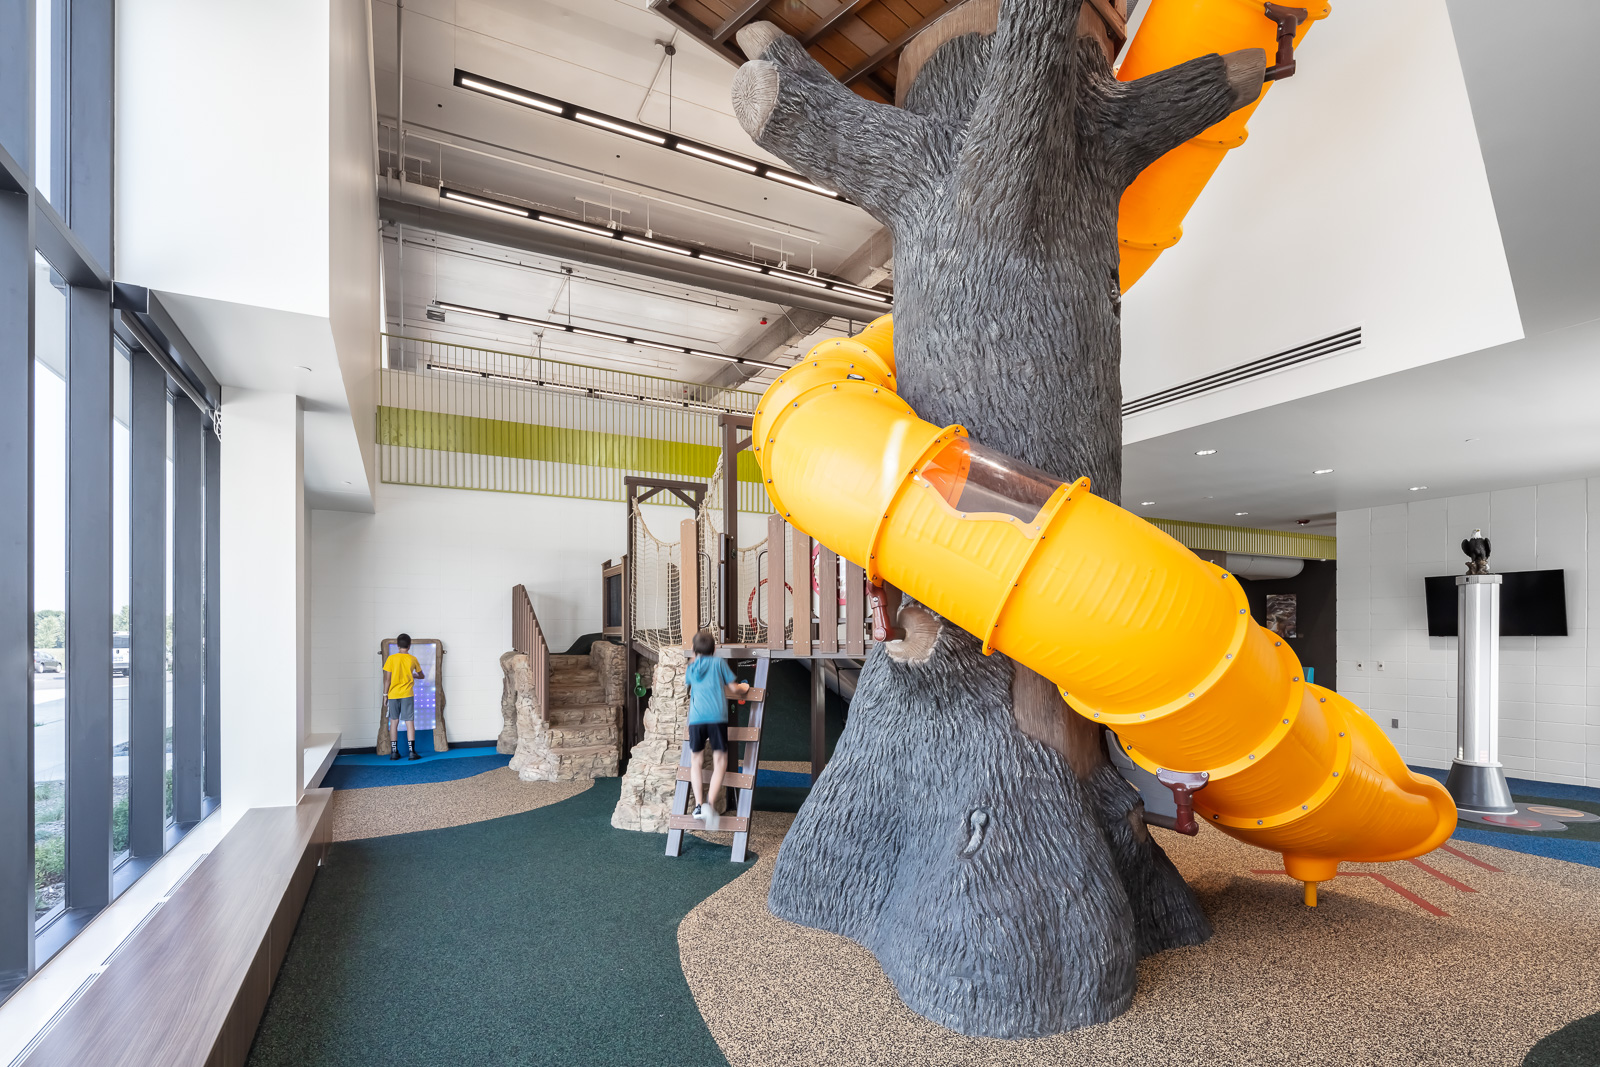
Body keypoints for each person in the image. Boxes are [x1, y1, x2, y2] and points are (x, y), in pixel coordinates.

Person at [685, 629, 749, 828]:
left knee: (695, 761)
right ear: (714, 650)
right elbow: (734, 688)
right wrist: (744, 688)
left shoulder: (691, 668)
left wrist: (694, 657)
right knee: (720, 761)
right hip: (716, 719)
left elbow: (691, 682)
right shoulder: (719, 663)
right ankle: (710, 804)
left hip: (696, 720)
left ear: (695, 650)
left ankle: (698, 805)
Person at [382, 634, 425, 761]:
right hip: (407, 694)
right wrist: (413, 676)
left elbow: (387, 679)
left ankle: (394, 752)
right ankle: (412, 752)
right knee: (409, 722)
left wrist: (385, 695)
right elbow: (421, 675)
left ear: (397, 645)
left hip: (393, 695)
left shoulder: (391, 659)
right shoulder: (413, 659)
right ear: (409, 646)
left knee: (393, 722)